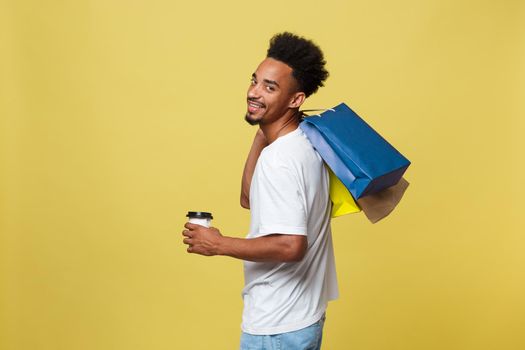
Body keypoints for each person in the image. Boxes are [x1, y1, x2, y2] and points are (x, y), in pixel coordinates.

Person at [182, 32, 338, 350]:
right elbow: (249, 198)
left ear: (296, 100)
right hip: (300, 317)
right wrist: (265, 129)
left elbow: (291, 246)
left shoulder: (280, 159)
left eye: (270, 88)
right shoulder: (304, 144)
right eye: (255, 81)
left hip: (277, 327)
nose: (254, 92)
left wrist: (218, 244)